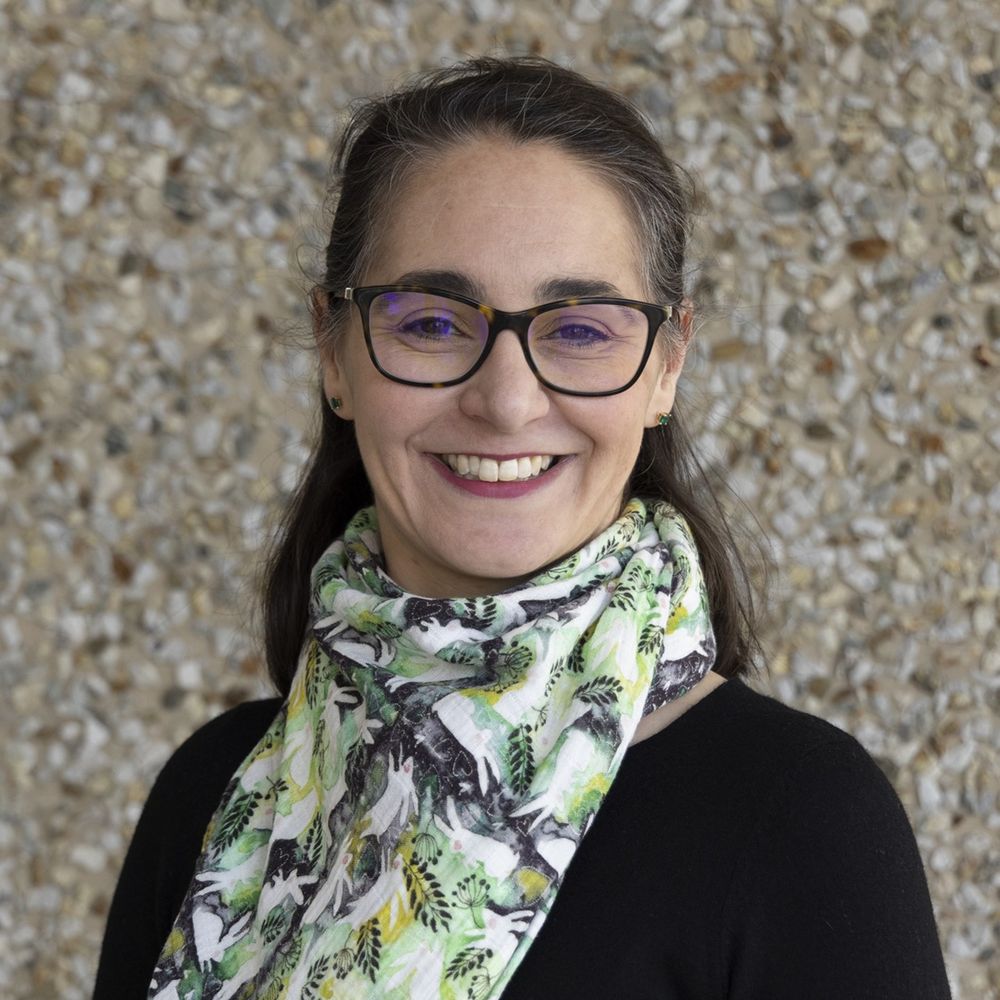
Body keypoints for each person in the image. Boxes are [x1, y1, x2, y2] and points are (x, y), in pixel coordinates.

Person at [94, 57, 952, 1000]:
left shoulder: (797, 819)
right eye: (430, 322)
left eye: (580, 329)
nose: (506, 402)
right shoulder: (216, 789)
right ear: (334, 353)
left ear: (666, 366)